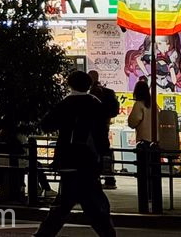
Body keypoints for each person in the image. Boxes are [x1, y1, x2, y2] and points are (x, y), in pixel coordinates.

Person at [33, 70, 116, 237]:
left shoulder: (65, 104)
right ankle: (107, 233)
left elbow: (46, 125)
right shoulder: (96, 104)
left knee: (66, 202)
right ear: (89, 85)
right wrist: (103, 154)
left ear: (70, 84)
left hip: (68, 159)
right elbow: (102, 133)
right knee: (90, 202)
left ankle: (44, 234)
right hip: (90, 160)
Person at [88, 70, 119, 189]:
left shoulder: (89, 93)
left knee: (92, 153)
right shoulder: (109, 92)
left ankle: (94, 178)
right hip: (103, 126)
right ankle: (109, 178)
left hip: (90, 128)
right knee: (105, 152)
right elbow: (114, 111)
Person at [127, 78, 154, 144]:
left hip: (144, 141)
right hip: (155, 139)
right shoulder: (153, 104)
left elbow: (132, 123)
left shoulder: (139, 104)